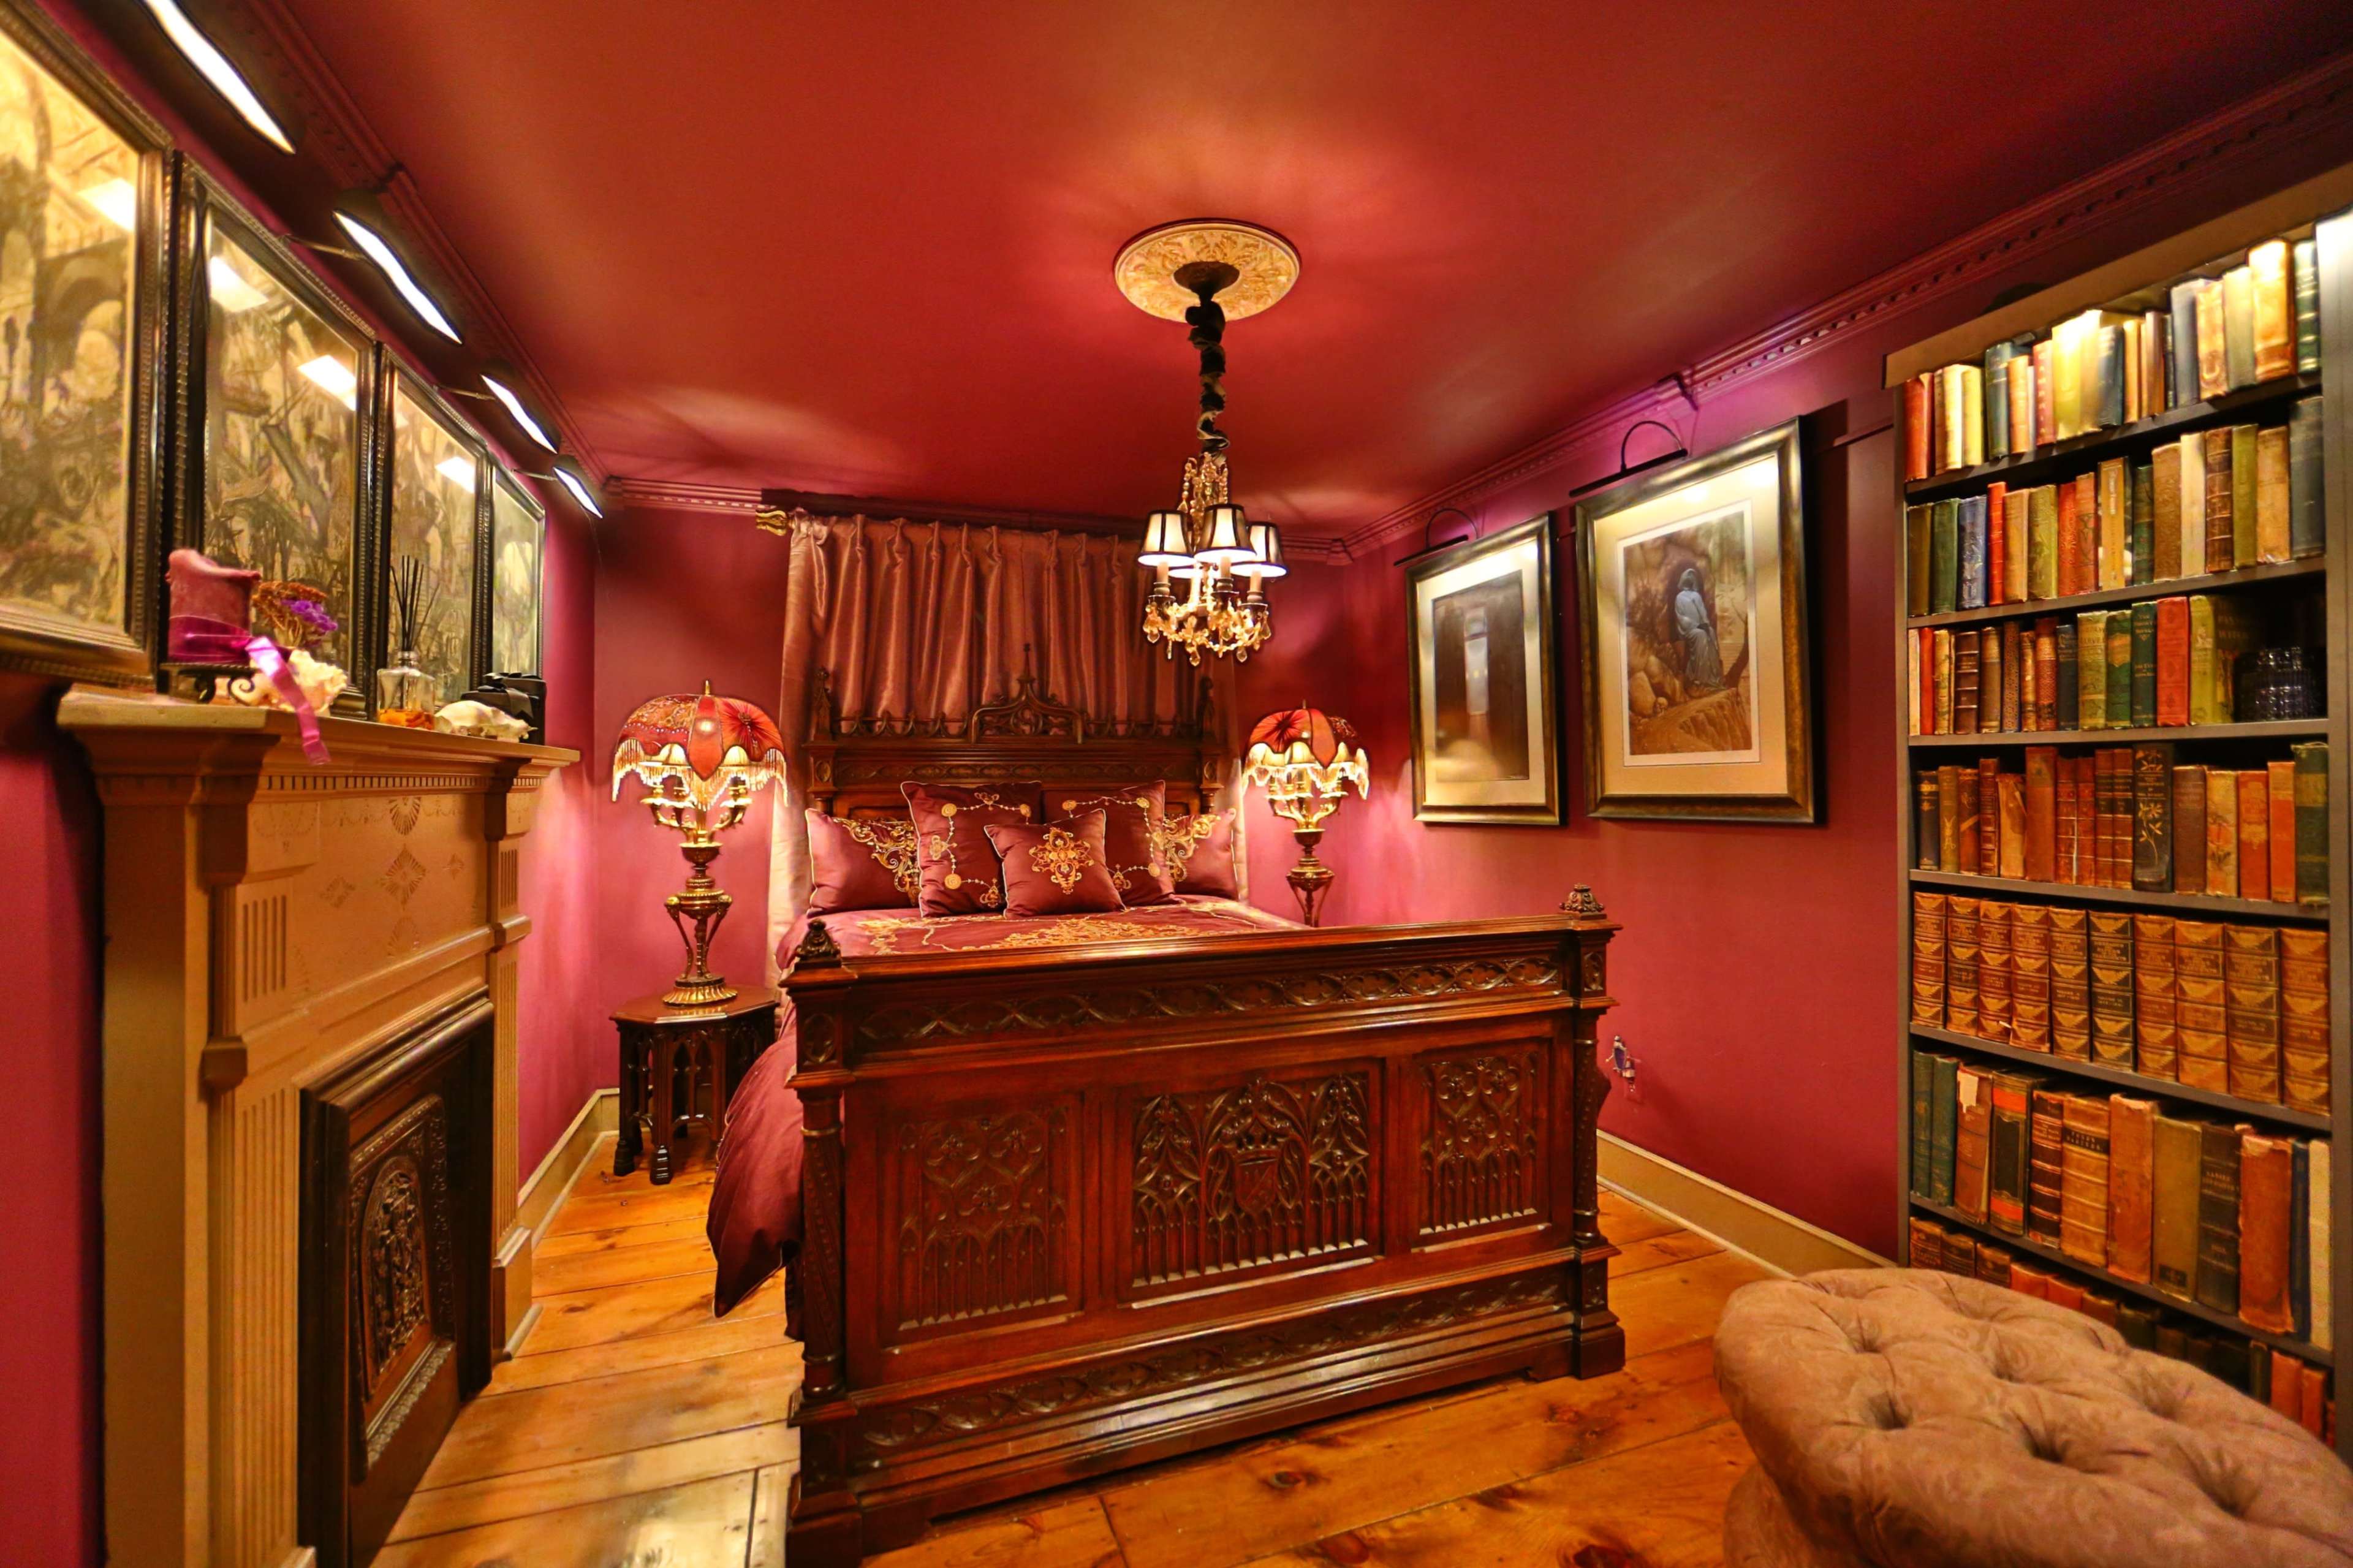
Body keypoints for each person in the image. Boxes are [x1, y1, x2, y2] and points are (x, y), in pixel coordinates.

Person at [1673, 567, 1722, 692]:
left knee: (1710, 631)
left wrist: (1705, 623)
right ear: (1684, 581)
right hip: (1690, 630)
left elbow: (1703, 612)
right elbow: (1681, 617)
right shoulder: (1679, 597)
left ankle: (1713, 677)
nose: (1690, 582)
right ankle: (1700, 678)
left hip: (1700, 627)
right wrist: (1696, 625)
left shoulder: (1696, 595)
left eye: (1692, 580)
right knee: (1701, 635)